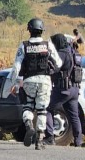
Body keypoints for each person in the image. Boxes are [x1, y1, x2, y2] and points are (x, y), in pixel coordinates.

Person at [9, 18, 62, 150]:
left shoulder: (24, 45)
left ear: (29, 30)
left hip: (29, 81)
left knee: (28, 106)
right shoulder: (48, 44)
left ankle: (29, 126)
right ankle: (39, 140)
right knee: (42, 110)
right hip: (45, 81)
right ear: (41, 30)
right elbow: (59, 63)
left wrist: (14, 83)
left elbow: (16, 67)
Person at [44, 33, 83, 147]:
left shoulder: (62, 54)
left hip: (63, 89)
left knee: (47, 108)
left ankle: (49, 137)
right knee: (74, 116)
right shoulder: (76, 53)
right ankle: (78, 141)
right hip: (74, 89)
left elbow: (54, 68)